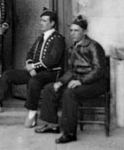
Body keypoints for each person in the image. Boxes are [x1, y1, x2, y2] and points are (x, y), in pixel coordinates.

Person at [0, 7, 66, 129]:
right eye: (41, 20)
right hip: (35, 71)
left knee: (34, 81)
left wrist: (34, 67)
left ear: (52, 23)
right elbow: (30, 53)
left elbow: (52, 60)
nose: (41, 23)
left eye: (45, 21)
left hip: (50, 73)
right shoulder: (40, 38)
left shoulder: (58, 39)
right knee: (7, 75)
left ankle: (32, 113)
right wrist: (30, 64)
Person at [35, 15, 108, 144]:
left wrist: (81, 81)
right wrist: (60, 82)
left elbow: (99, 70)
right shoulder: (72, 48)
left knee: (70, 93)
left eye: (76, 30)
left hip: (97, 83)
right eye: (71, 30)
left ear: (84, 32)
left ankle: (69, 133)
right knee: (50, 88)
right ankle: (52, 125)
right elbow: (71, 71)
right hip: (79, 80)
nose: (73, 33)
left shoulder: (94, 46)